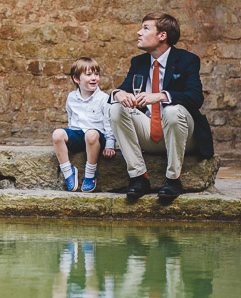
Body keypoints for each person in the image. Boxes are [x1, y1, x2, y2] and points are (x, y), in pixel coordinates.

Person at [109, 12, 213, 200]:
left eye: (145, 28)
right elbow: (123, 89)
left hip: (182, 134)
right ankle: (139, 177)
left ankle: (173, 180)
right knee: (115, 108)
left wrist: (161, 96)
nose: (139, 32)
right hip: (149, 131)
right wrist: (119, 94)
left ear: (162, 35)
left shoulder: (187, 60)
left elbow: (196, 97)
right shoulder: (138, 62)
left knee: (172, 111)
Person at [52, 57, 117, 192]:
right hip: (78, 134)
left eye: (96, 74)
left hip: (96, 138)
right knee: (57, 134)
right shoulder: (71, 97)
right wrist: (69, 138)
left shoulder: (103, 98)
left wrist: (110, 145)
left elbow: (109, 123)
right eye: (88, 75)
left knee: (91, 134)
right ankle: (68, 172)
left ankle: (90, 173)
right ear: (76, 79)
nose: (94, 78)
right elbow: (71, 119)